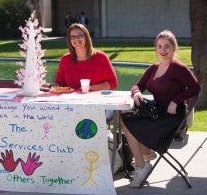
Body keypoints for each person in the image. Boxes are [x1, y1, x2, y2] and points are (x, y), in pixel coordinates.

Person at [121, 30, 201, 187]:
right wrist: (137, 93)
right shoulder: (154, 68)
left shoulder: (178, 68)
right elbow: (138, 85)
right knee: (125, 118)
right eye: (159, 46)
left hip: (171, 118)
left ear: (174, 49)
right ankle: (146, 156)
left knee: (130, 124)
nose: (163, 51)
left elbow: (195, 88)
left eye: (167, 46)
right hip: (157, 113)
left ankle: (141, 166)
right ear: (155, 49)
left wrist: (176, 100)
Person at [54, 23, 117, 91]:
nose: (76, 39)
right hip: (71, 100)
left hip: (95, 100)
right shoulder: (65, 59)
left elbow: (112, 83)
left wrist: (89, 88)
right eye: (73, 37)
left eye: (80, 35)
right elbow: (60, 84)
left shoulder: (101, 57)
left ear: (86, 37)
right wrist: (50, 86)